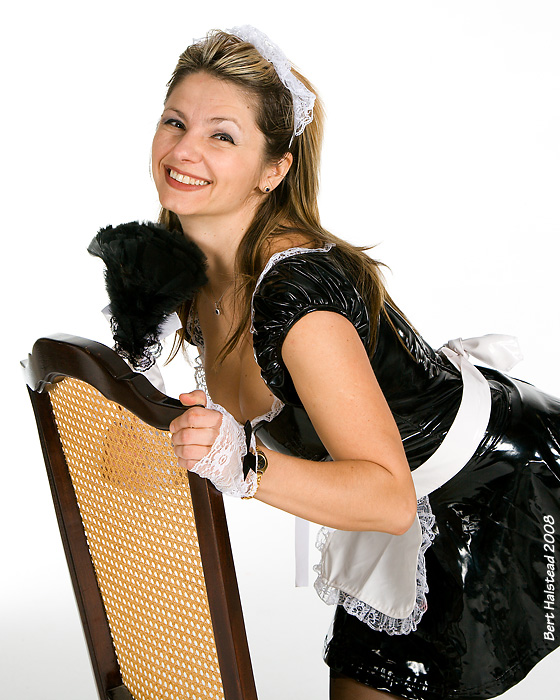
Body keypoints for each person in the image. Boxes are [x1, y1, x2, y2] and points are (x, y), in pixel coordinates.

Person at [154, 26, 560, 700]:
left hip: (502, 487)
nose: (183, 150)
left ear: (273, 170)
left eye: (221, 135)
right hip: (411, 508)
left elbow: (387, 499)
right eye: (175, 121)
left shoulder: (298, 296)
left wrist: (244, 464)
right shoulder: (194, 267)